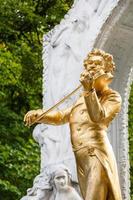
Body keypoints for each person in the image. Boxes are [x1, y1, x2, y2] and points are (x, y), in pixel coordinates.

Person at [24, 49, 122, 200]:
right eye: (89, 64)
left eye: (97, 64)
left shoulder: (112, 97)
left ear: (106, 69)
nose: (91, 67)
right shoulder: (82, 100)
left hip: (96, 153)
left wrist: (89, 91)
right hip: (81, 158)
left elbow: (98, 117)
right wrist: (40, 115)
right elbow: (61, 116)